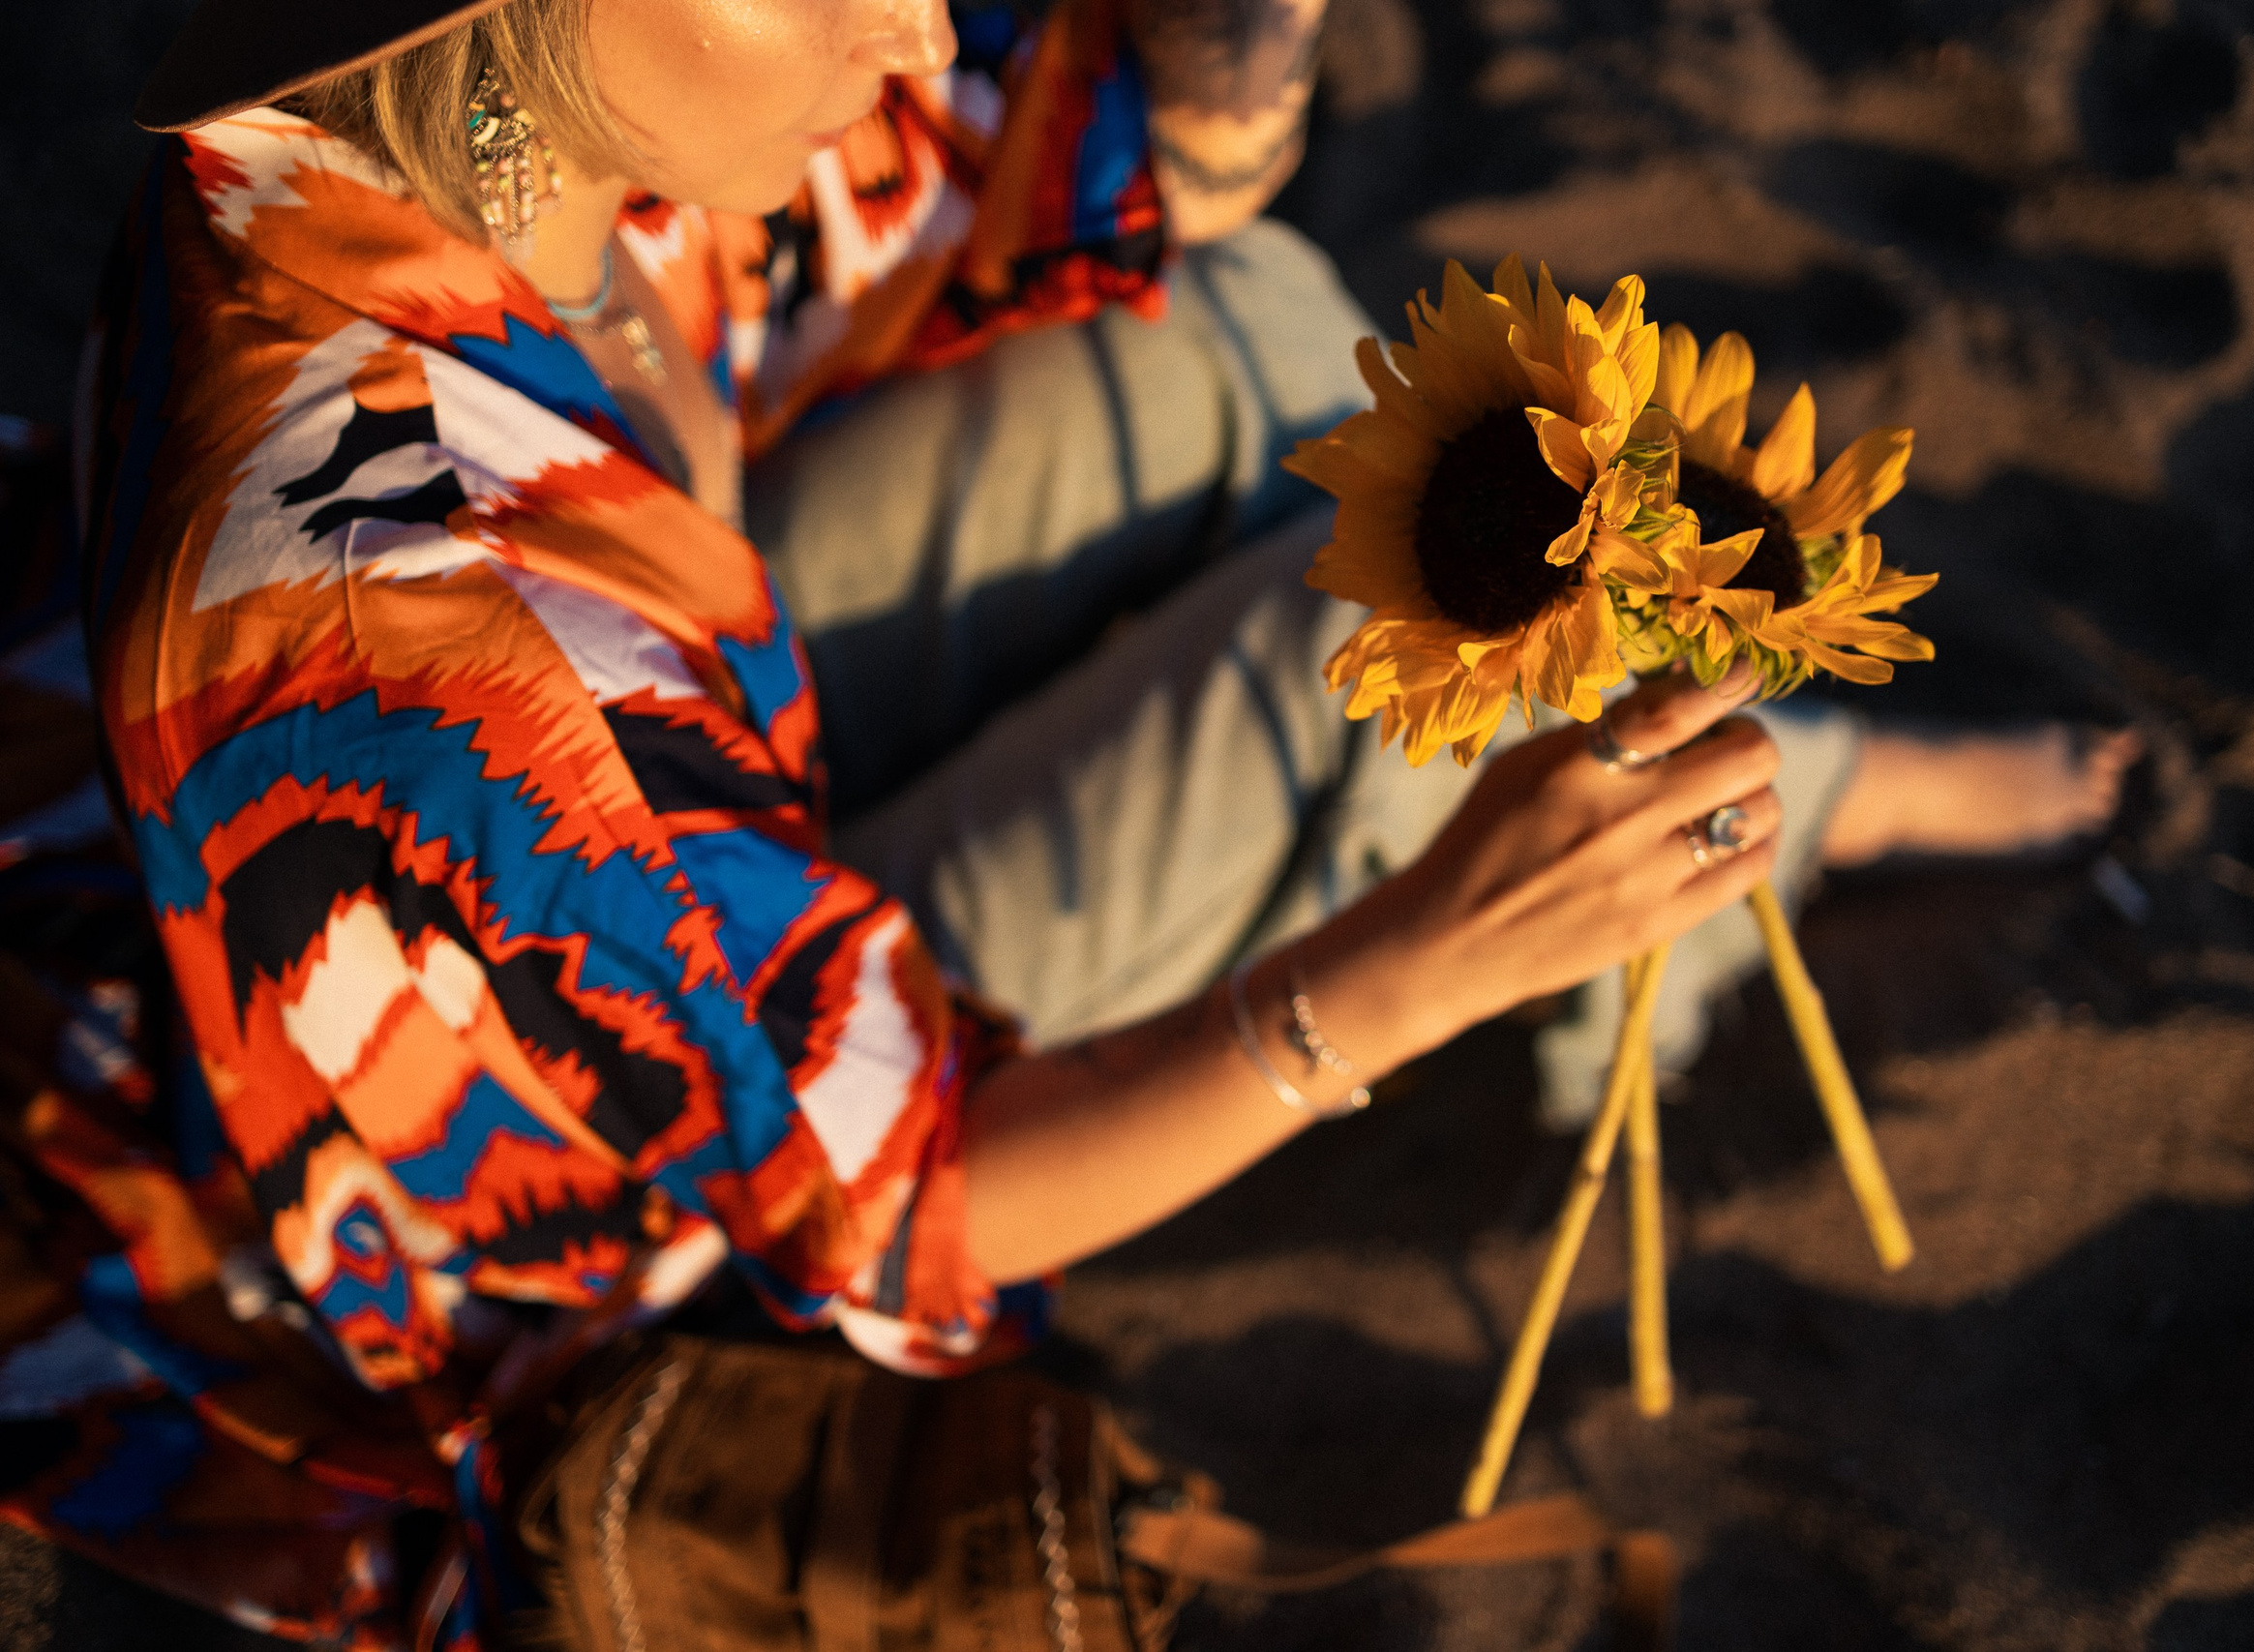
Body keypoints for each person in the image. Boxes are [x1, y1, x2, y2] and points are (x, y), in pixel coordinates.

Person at [2, 0, 2126, 1644]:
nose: (918, 29)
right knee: (1372, 695)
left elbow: (1095, 172)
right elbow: (913, 1197)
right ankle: (1792, 834)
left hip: (640, 779)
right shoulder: (426, 645)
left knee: (1262, 339)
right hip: (542, 1197)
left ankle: (1779, 816)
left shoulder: (471, 130)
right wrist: (1411, 964)